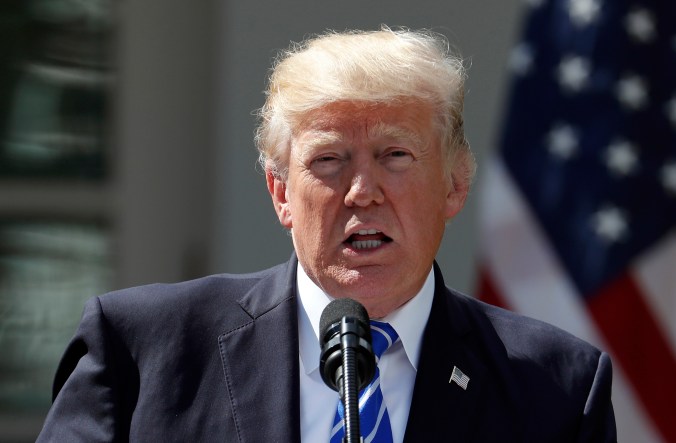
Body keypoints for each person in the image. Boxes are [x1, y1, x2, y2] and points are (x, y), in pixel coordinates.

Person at [37, 27, 617, 442]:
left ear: (454, 184)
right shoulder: (141, 350)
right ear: (281, 193)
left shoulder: (557, 386)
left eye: (395, 154)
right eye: (330, 160)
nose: (363, 190)